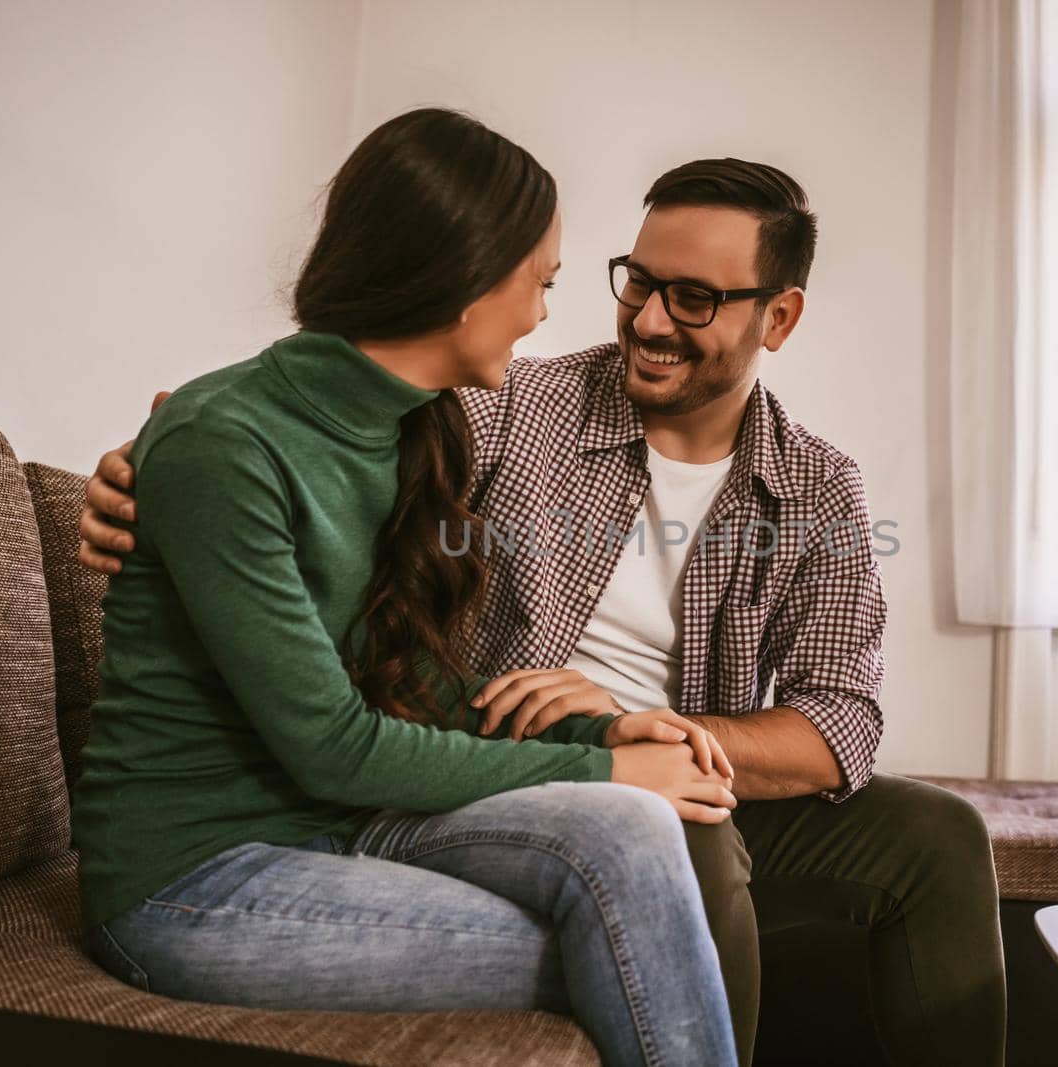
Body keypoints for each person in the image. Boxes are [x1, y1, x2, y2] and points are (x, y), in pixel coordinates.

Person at [80, 156, 1006, 1066]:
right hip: (500, 757)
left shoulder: (817, 484)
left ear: (780, 316)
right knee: (682, 834)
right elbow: (332, 420)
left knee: (937, 834)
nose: (647, 320)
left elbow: (839, 722)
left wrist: (661, 738)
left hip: (664, 747)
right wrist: (142, 462)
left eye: (692, 298)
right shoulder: (509, 401)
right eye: (637, 281)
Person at [69, 107, 738, 1067]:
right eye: (540, 282)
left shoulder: (419, 426)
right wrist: (606, 768)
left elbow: (409, 685)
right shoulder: (226, 439)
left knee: (631, 842)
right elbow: (333, 748)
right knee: (635, 944)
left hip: (343, 829)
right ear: (466, 279)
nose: (547, 314)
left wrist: (603, 734)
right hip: (193, 881)